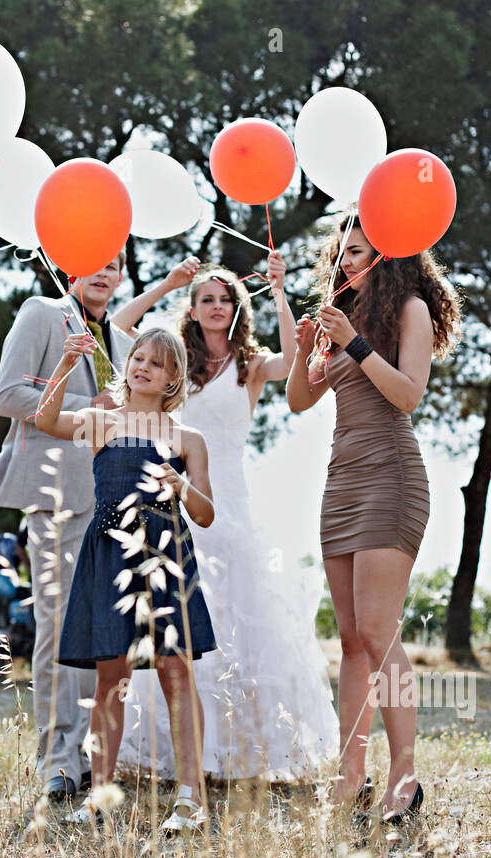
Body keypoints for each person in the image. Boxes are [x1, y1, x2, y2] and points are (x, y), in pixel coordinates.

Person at [109, 254, 339, 781]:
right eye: (207, 298)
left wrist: (280, 291)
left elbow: (293, 355)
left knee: (240, 613)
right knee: (181, 615)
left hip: (232, 499)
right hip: (179, 495)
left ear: (239, 307)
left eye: (226, 298)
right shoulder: (176, 364)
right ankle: (184, 756)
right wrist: (168, 283)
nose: (217, 306)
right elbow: (120, 329)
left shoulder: (251, 366)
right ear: (191, 309)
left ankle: (239, 752)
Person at [286, 211, 461, 822]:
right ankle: (350, 774)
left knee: (381, 632)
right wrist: (310, 347)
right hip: (342, 482)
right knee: (352, 639)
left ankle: (405, 778)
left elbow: (409, 394)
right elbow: (300, 398)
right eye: (339, 254)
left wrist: (356, 345)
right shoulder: (344, 320)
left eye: (355, 253)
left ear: (386, 258)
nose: (342, 263)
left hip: (392, 477)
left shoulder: (408, 310)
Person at [32, 327, 218, 831]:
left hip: (166, 555)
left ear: (173, 377)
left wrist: (181, 487)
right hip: (109, 555)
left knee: (176, 673)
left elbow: (205, 514)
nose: (142, 367)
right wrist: (66, 366)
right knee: (111, 677)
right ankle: (100, 797)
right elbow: (44, 419)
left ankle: (189, 798)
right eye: (138, 357)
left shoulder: (188, 439)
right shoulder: (102, 422)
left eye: (155, 363)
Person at [0, 254, 132, 803]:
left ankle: (93, 757)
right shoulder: (43, 313)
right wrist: (95, 404)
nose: (103, 273)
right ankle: (58, 762)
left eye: (114, 264)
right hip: (56, 495)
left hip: (116, 500)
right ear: (69, 269)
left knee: (101, 631)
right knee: (59, 624)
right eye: (93, 262)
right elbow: (8, 396)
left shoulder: (126, 341)